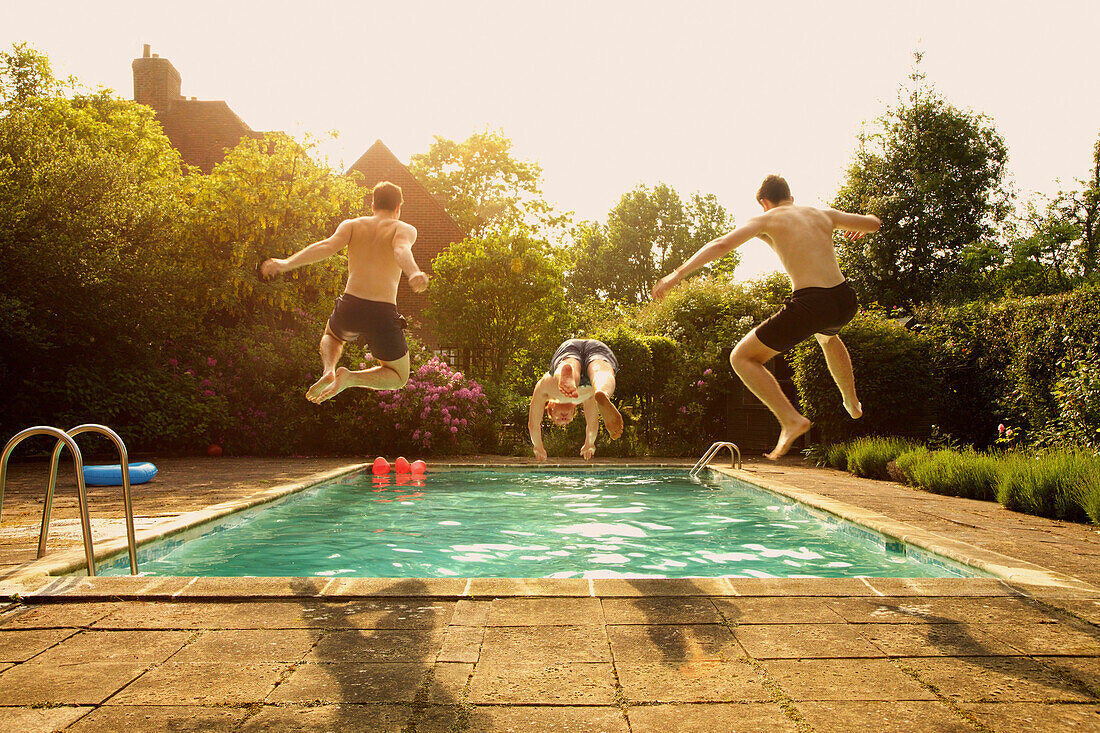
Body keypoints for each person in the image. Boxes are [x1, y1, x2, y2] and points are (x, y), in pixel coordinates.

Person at [652, 174, 880, 459]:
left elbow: (721, 245)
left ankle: (790, 419)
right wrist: (864, 226)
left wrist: (676, 275)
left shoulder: (766, 219)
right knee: (828, 336)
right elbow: (873, 223)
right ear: (791, 198)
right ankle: (851, 401)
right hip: (844, 299)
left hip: (812, 301)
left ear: (764, 202)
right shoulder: (822, 214)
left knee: (742, 358)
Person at [260, 181, 428, 403]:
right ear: (398, 207)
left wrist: (284, 263)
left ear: (372, 205)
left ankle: (329, 369)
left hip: (351, 305)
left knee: (332, 336)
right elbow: (400, 249)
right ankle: (349, 379)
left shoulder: (352, 225)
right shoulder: (403, 228)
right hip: (382, 311)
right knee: (398, 377)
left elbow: (326, 247)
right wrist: (413, 272)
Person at [528, 339, 625, 461]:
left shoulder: (546, 393)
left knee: (568, 363)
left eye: (558, 418)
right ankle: (603, 392)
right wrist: (589, 443)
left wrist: (538, 446)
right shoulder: (586, 398)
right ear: (574, 408)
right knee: (601, 369)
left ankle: (569, 374)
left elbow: (534, 424)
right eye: (568, 419)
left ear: (551, 406)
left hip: (569, 349)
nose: (564, 419)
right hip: (597, 349)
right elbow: (592, 423)